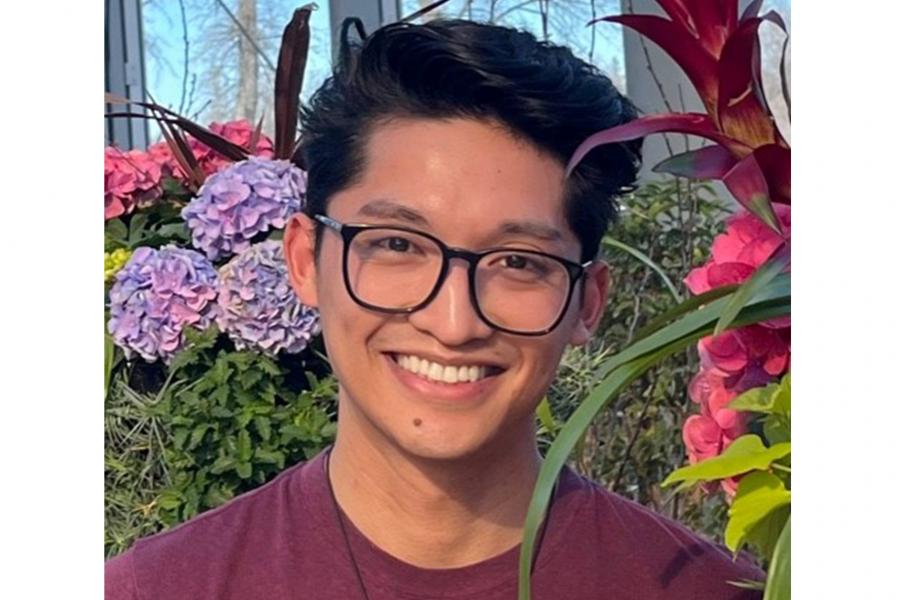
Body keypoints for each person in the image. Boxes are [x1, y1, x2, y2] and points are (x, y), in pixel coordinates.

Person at [105, 18, 763, 599]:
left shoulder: (708, 592)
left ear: (587, 303)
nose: (453, 324)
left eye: (519, 262)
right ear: (305, 260)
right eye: (397, 245)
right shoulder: (157, 589)